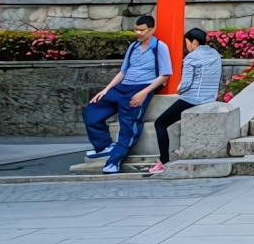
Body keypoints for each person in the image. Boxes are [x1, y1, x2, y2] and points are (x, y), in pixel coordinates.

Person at [83, 14, 170, 174]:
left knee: (128, 126)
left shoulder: (160, 47)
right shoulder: (133, 47)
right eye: (136, 29)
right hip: (122, 86)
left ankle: (113, 161)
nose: (138, 32)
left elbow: (165, 74)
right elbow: (123, 71)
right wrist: (106, 89)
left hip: (140, 88)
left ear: (151, 29)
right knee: (91, 110)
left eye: (142, 30)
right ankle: (104, 145)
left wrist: (143, 94)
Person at [147, 28, 222, 174]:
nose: (186, 46)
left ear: (194, 42)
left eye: (187, 43)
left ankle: (163, 161)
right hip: (210, 96)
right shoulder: (215, 54)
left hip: (193, 98)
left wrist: (180, 88)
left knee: (160, 123)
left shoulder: (191, 57)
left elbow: (186, 83)